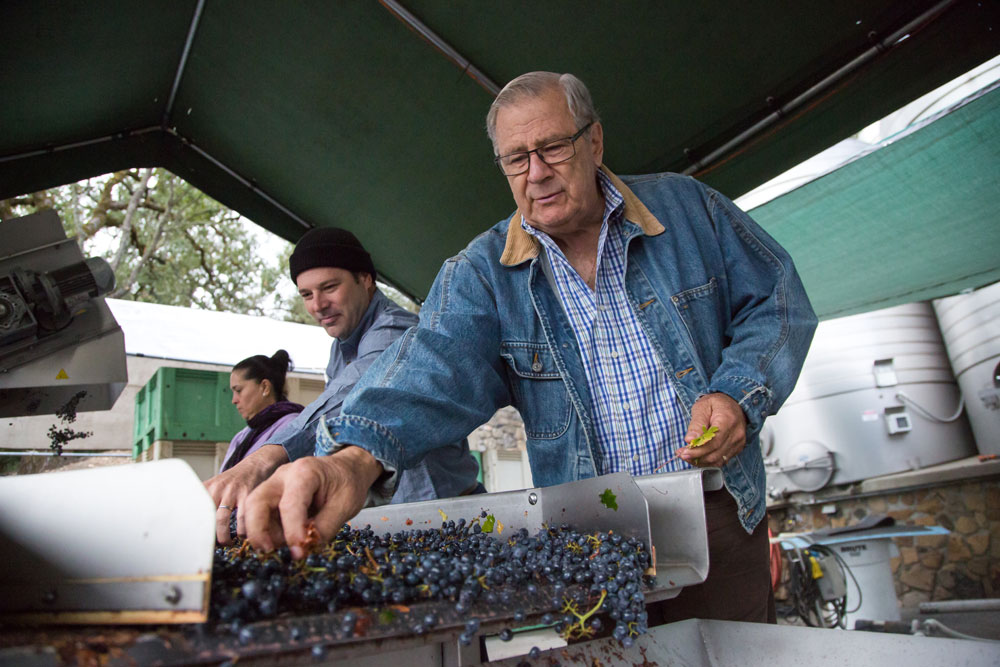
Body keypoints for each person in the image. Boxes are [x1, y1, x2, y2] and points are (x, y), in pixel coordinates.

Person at [242, 72, 817, 623]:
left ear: (593, 140)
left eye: (553, 148)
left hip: (716, 512)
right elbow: (429, 369)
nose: (535, 173)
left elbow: (779, 301)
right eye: (516, 159)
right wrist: (352, 460)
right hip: (588, 537)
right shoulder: (483, 274)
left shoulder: (687, 210)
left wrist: (737, 394)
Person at [205, 227, 481, 545]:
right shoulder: (340, 347)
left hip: (454, 519)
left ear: (366, 279)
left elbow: (350, 396)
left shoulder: (395, 333)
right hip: (398, 523)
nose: (318, 305)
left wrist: (263, 459)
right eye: (306, 295)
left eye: (329, 287)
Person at [221, 349, 303, 472]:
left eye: (238, 390)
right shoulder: (243, 435)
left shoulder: (293, 427)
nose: (234, 400)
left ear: (265, 387)